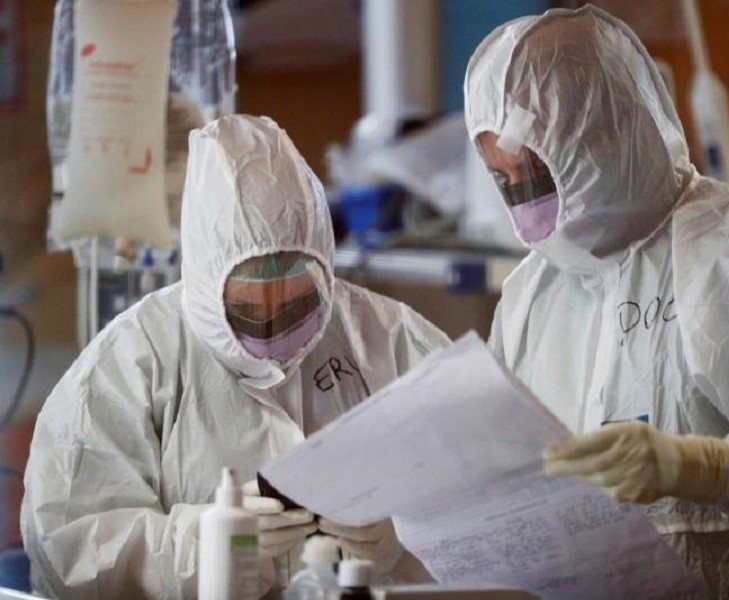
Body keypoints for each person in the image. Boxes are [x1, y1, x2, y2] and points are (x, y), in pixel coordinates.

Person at [464, 6, 729, 599]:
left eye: (537, 171)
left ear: (606, 133)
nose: (524, 201)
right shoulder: (530, 296)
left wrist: (705, 469)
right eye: (504, 180)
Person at [21, 115, 449, 599]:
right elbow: (69, 547)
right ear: (207, 289)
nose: (274, 331)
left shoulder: (387, 339)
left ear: (326, 271)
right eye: (248, 313)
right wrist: (198, 544)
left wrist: (409, 530)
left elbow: (485, 503)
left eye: (297, 306)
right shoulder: (132, 362)